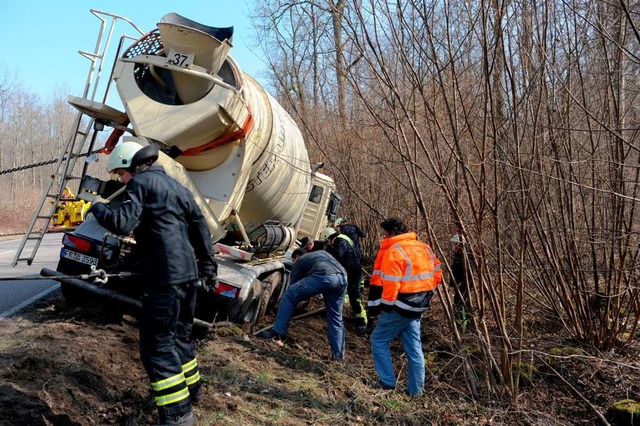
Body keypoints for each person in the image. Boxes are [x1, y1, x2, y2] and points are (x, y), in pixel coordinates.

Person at [89, 141, 217, 426]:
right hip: (188, 278)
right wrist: (208, 265)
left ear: (132, 166)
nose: (121, 180)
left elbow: (122, 223)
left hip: (163, 280)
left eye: (120, 174)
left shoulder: (141, 185)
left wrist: (97, 207)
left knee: (157, 348)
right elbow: (200, 226)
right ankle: (193, 391)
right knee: (180, 338)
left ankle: (177, 415)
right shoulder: (179, 188)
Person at [367, 217, 442, 396]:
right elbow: (437, 274)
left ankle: (387, 382)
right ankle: (416, 391)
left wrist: (385, 306)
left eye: (385, 233)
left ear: (392, 233)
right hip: (420, 305)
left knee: (378, 340)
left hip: (400, 305)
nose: (383, 237)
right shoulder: (424, 247)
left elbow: (391, 284)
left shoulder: (394, 250)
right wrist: (424, 293)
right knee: (414, 348)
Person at [257, 248, 348, 360]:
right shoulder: (319, 255)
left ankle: (277, 333)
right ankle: (338, 357)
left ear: (297, 257)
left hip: (325, 277)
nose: (294, 263)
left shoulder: (301, 260)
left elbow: (293, 287)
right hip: (342, 278)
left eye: (293, 260)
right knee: (336, 318)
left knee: (289, 295)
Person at [325, 228, 368, 334]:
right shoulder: (343, 238)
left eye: (328, 241)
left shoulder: (340, 241)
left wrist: (329, 249)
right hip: (351, 270)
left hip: (353, 272)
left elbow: (338, 254)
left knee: (354, 296)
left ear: (330, 238)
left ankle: (362, 322)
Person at [449, 233, 476, 328]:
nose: (454, 247)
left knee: (462, 304)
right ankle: (459, 325)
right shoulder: (457, 254)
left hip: (465, 285)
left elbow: (470, 272)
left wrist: (462, 283)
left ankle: (467, 325)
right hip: (459, 284)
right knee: (458, 304)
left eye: (455, 244)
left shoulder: (467, 256)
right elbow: (455, 270)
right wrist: (453, 284)